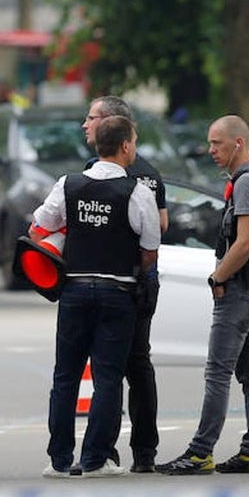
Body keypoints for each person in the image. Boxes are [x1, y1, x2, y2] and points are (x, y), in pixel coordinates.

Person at [33, 115, 161, 478]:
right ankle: (95, 459)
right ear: (124, 146)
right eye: (134, 143)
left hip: (73, 289)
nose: (134, 149)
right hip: (117, 291)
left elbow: (39, 224)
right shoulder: (137, 192)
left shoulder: (67, 185)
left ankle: (58, 460)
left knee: (65, 376)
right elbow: (150, 249)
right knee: (107, 377)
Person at [157, 115, 249, 476]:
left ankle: (200, 452)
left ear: (238, 143)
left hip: (241, 290)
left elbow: (245, 242)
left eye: (217, 143)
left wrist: (217, 277)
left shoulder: (246, 184)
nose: (210, 150)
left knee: (217, 373)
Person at [82, 96, 168, 473]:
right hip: (140, 280)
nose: (85, 125)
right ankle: (145, 452)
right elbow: (161, 226)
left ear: (111, 125)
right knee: (138, 365)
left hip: (109, 280)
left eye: (91, 118)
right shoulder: (150, 172)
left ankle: (105, 450)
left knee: (107, 369)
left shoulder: (96, 171)